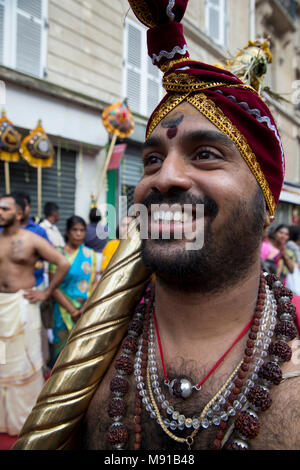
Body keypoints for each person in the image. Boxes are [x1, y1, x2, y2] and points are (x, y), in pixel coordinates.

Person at [13, 0, 300, 451]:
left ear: (267, 204)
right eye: (151, 160)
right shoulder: (93, 355)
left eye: (205, 154)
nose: (164, 178)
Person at [0, 193, 70, 436]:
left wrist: (46, 292)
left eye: (4, 208)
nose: (0, 212)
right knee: (2, 362)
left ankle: (24, 420)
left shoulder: (31, 239)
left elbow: (63, 263)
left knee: (24, 362)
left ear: (19, 214)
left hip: (22, 307)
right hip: (1, 307)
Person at [49, 216, 98, 362]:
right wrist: (73, 311)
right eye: (75, 230)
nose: (78, 234)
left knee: (81, 353)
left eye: (82, 230)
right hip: (63, 311)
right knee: (61, 353)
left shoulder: (90, 254)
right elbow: (53, 287)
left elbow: (94, 282)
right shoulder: (57, 254)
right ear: (68, 232)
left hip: (84, 310)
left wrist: (86, 306)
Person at [84, 207, 107, 278]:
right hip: (101, 257)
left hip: (88, 256)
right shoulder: (105, 228)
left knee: (88, 278)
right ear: (100, 217)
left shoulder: (86, 229)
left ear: (89, 217)